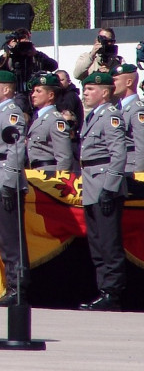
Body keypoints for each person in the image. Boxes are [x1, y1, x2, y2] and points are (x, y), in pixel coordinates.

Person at [77, 72, 127, 311]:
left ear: (105, 93)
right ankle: (103, 290)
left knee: (109, 242)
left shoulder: (110, 116)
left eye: (90, 90)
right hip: (91, 185)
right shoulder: (92, 117)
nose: (85, 94)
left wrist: (110, 187)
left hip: (104, 185)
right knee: (97, 243)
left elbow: (118, 154)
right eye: (85, 90)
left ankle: (113, 292)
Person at [0, 70, 28, 307]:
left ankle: (17, 287)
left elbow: (15, 150)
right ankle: (12, 284)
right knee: (4, 238)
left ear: (7, 89)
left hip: (4, 181)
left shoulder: (11, 114)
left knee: (11, 239)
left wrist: (9, 184)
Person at [0, 28, 58, 113]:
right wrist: (9, 51)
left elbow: (54, 66)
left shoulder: (35, 56)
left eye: (26, 42)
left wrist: (35, 53)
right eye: (21, 42)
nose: (23, 46)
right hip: (16, 94)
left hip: (34, 94)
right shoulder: (10, 57)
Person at [25, 73, 74, 174]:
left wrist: (60, 181)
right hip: (35, 173)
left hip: (49, 176)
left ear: (51, 95)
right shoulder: (39, 118)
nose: (33, 95)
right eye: (33, 91)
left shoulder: (55, 120)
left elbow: (64, 157)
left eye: (38, 91)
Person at [112, 64, 144, 176]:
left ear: (129, 82)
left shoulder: (137, 109)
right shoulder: (116, 108)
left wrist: (140, 173)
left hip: (131, 168)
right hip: (119, 168)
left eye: (115, 80)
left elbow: (141, 144)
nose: (112, 84)